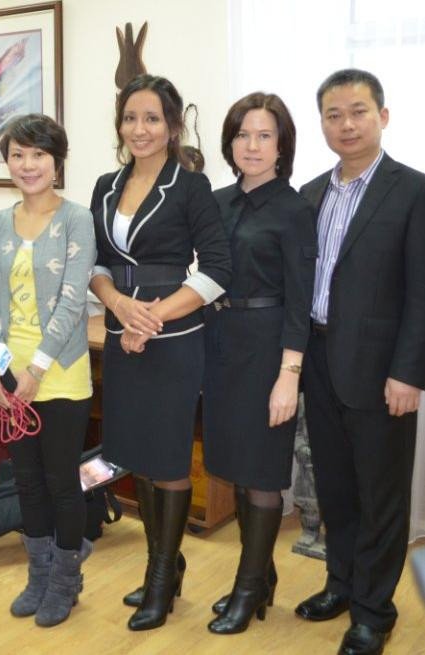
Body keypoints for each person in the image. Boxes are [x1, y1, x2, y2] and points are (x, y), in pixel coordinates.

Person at [87, 74, 231, 632]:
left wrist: (153, 315)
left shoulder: (191, 186)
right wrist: (120, 305)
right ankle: (163, 569)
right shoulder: (105, 184)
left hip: (172, 340)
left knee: (169, 460)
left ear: (172, 126)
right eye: (130, 118)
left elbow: (218, 268)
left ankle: (160, 575)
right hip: (124, 336)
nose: (139, 129)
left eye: (152, 119)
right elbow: (97, 264)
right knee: (133, 455)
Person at [294, 69, 424, 655]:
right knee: (338, 489)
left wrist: (410, 372)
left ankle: (375, 610)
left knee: (382, 496)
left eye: (358, 111)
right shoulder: (312, 193)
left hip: (381, 372)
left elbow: (423, 292)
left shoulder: (413, 190)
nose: (346, 124)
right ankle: (341, 586)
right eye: (333, 114)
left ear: (383, 116)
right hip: (319, 360)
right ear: (321, 122)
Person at [201, 92, 316, 634]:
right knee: (237, 470)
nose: (252, 144)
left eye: (264, 135)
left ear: (282, 145)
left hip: (268, 349)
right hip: (220, 344)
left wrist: (288, 376)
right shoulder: (218, 201)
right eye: (243, 134)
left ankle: (248, 590)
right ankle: (261, 576)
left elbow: (302, 301)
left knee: (263, 473)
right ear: (230, 141)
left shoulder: (294, 211)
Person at [0, 114, 96, 627]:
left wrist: (35, 372)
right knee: (26, 481)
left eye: (39, 155)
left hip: (62, 371)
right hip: (11, 373)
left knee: (61, 481)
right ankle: (39, 574)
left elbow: (73, 301)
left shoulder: (77, 218)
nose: (27, 165)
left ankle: (66, 581)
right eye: (18, 155)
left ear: (56, 162)